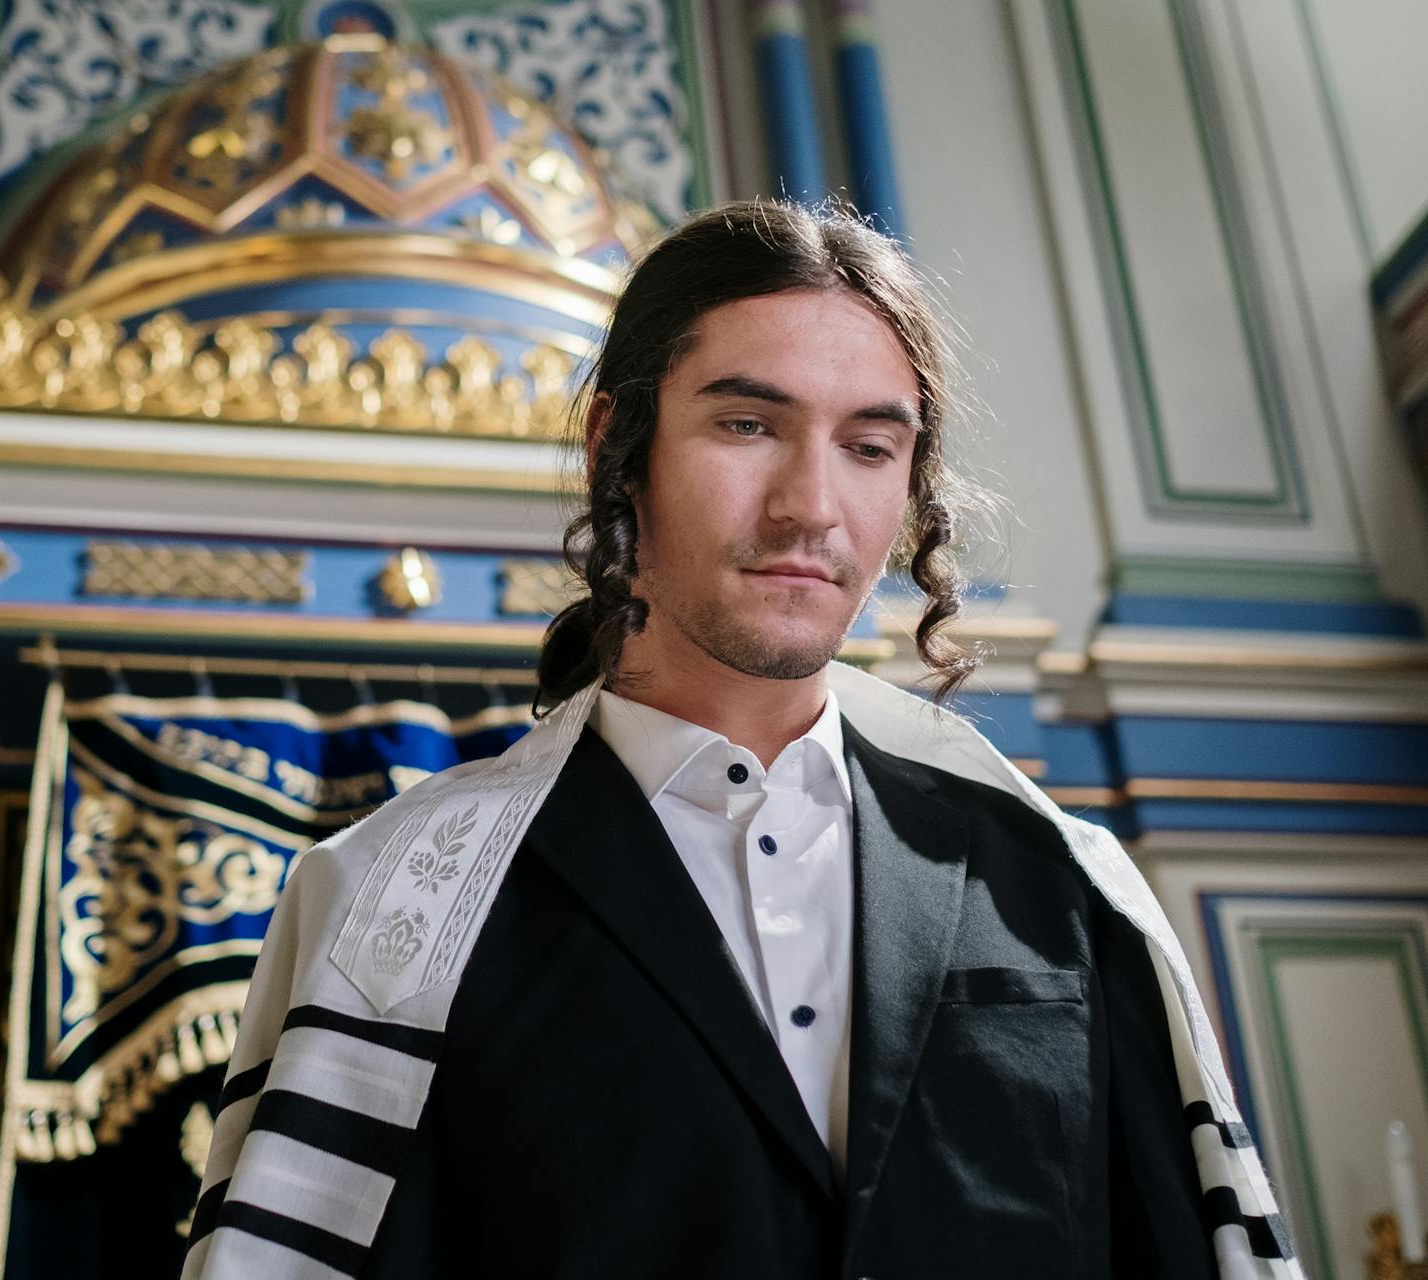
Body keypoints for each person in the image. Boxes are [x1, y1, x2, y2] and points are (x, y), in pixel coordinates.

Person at [180, 201, 1300, 1279]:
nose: (809, 506)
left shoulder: (1065, 886)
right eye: (748, 424)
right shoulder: (393, 905)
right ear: (617, 444)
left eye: (869, 446)